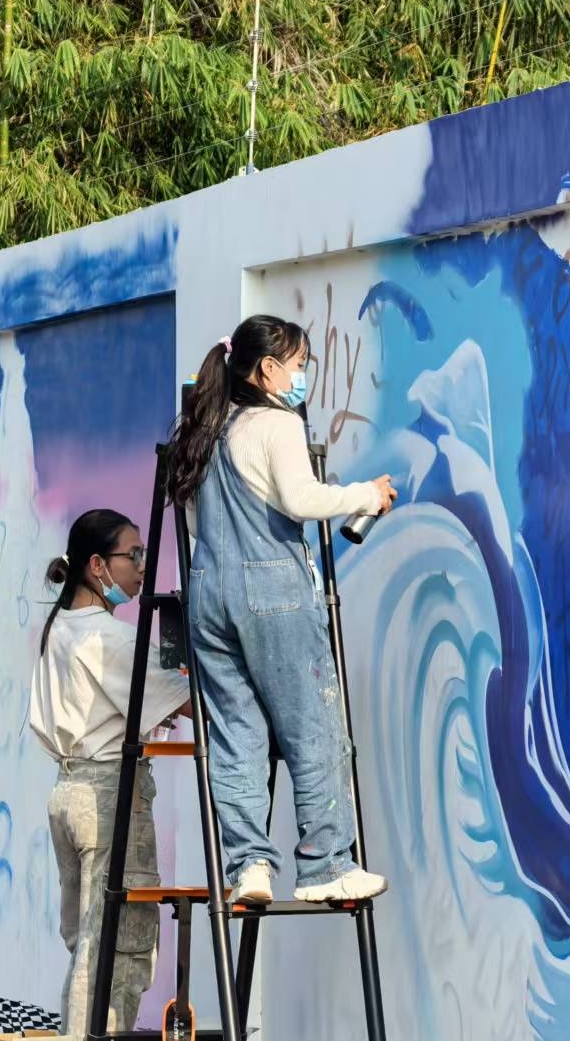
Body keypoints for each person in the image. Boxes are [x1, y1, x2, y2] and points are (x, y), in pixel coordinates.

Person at [164, 314, 396, 904]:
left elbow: (194, 524)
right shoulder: (276, 423)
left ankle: (249, 867)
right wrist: (366, 494)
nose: (301, 377)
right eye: (298, 365)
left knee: (236, 735)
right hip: (273, 591)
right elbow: (300, 497)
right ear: (267, 369)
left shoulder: (204, 429)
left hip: (208, 594)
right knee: (313, 726)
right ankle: (325, 866)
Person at [30, 508, 190, 1035]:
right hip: (107, 794)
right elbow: (189, 703)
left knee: (88, 943)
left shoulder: (60, 625)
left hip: (69, 791)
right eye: (133, 555)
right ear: (97, 565)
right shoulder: (110, 638)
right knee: (116, 947)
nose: (142, 566)